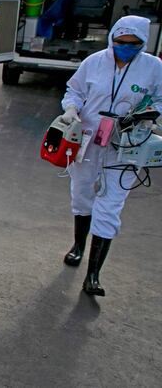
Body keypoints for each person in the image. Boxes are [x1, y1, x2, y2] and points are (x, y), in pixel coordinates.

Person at [58, 15, 162, 296]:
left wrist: (148, 115)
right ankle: (79, 245)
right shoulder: (94, 62)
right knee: (81, 193)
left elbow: (160, 100)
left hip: (126, 144)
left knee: (111, 203)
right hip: (89, 139)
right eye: (120, 42)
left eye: (133, 44)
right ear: (112, 39)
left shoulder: (154, 67)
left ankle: (93, 274)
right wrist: (71, 109)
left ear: (143, 43)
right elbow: (74, 91)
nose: (125, 48)